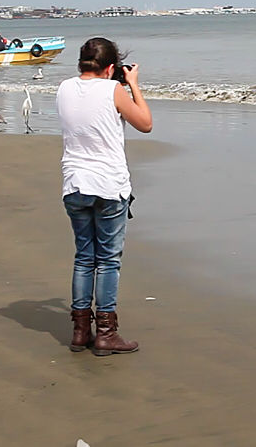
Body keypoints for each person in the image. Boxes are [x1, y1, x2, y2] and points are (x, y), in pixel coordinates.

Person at [56, 37, 152, 356]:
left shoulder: (64, 89)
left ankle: (80, 330)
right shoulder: (115, 90)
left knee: (84, 257)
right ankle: (106, 333)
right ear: (111, 68)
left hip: (75, 184)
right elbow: (145, 123)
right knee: (108, 260)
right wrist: (133, 85)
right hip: (109, 185)